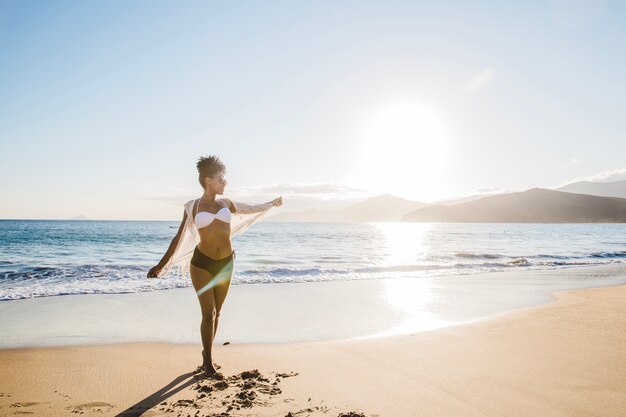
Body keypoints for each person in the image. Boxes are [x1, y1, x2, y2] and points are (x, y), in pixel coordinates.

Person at [147, 155, 282, 375]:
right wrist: (161, 265)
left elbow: (249, 208)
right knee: (207, 314)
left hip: (226, 264)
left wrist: (271, 204)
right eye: (220, 178)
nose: (225, 182)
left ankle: (205, 354)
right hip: (201, 264)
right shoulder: (192, 207)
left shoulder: (225, 203)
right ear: (208, 180)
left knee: (217, 313)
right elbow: (178, 238)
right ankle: (208, 363)